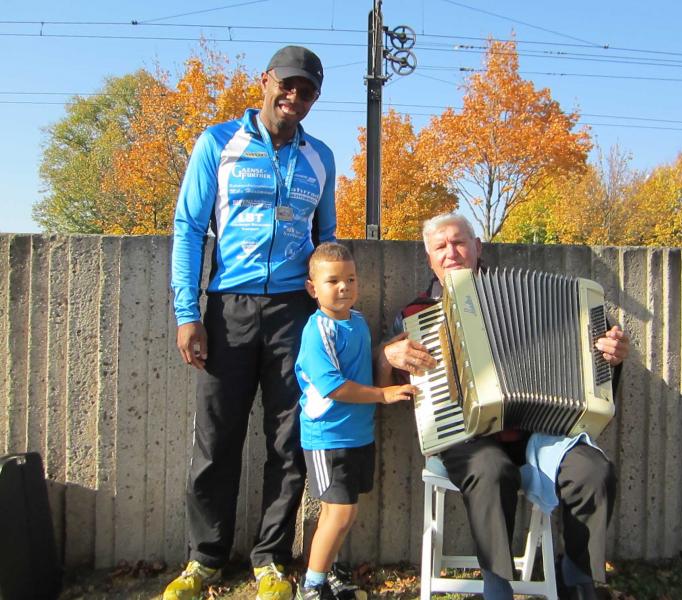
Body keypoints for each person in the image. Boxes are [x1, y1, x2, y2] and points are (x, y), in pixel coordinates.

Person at [375, 213, 629, 600]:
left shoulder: (534, 295)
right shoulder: (416, 315)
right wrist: (386, 355)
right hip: (466, 436)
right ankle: (497, 586)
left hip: (540, 432)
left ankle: (577, 577)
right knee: (492, 469)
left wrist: (611, 356)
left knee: (594, 470)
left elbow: (596, 366)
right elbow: (385, 386)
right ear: (429, 259)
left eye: (459, 242)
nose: (450, 252)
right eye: (440, 246)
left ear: (477, 247)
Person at [165, 45, 336, 600]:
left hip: (293, 314)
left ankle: (271, 560)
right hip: (228, 309)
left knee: (288, 443)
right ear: (265, 81)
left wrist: (330, 314)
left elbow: (327, 240)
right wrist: (188, 313)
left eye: (307, 91)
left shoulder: (320, 157)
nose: (295, 96)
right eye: (288, 84)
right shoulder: (218, 143)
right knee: (217, 440)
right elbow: (190, 228)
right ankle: (205, 559)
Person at [293, 242, 416, 600]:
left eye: (350, 279)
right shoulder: (317, 331)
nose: (344, 287)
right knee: (341, 513)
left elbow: (365, 365)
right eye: (333, 281)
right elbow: (333, 386)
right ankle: (311, 587)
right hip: (327, 437)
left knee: (339, 514)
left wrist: (389, 350)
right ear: (313, 288)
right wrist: (382, 395)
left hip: (358, 434)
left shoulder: (358, 322)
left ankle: (327, 574)